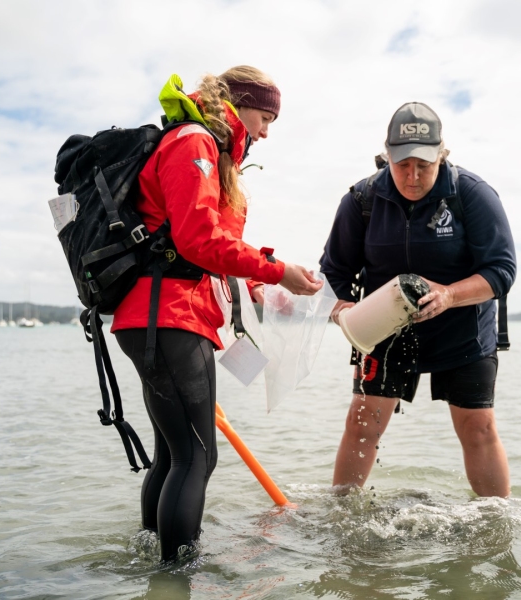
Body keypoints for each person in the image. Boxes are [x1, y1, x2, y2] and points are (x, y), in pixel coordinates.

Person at [110, 66, 322, 562]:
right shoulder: (195, 142)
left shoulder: (201, 146)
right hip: (171, 318)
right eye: (264, 116)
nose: (267, 130)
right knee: (197, 457)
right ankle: (176, 577)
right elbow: (198, 240)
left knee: (172, 453)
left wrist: (263, 284)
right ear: (238, 103)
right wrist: (276, 268)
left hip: (156, 317)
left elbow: (194, 251)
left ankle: (150, 565)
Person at [319, 102, 516, 497]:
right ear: (387, 156)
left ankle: (496, 528)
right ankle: (340, 519)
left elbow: (501, 271)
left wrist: (448, 294)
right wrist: (341, 311)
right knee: (361, 425)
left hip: (463, 329)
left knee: (478, 428)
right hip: (385, 330)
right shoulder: (361, 200)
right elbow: (333, 274)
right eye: (402, 164)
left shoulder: (471, 194)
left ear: (442, 154)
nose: (413, 176)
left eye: (424, 165)